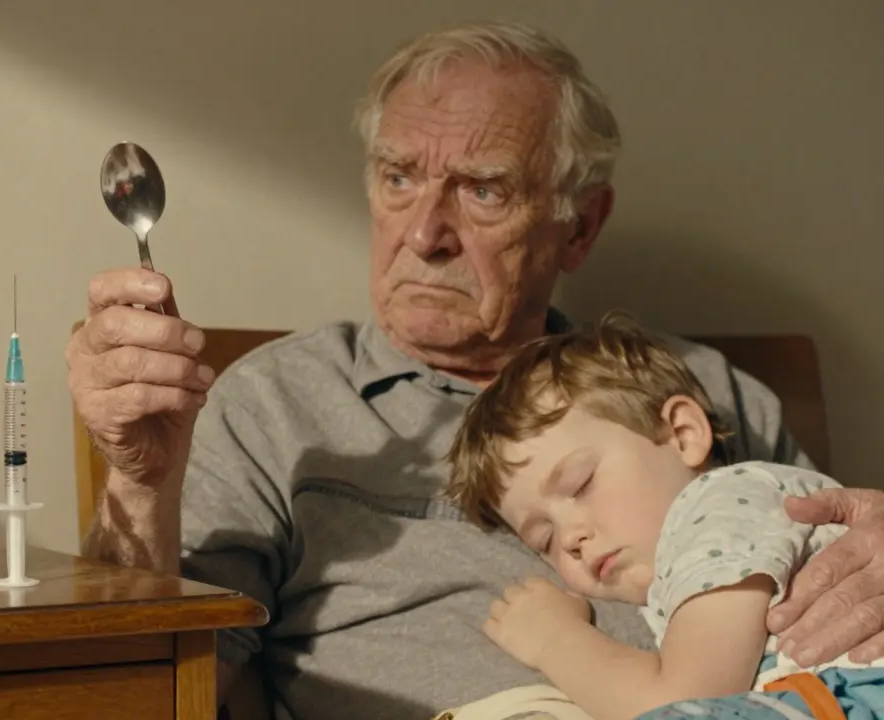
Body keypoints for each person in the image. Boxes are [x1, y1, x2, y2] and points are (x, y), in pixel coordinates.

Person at [65, 19, 884, 720]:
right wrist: (140, 484)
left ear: (579, 226)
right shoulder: (275, 403)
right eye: (398, 178)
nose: (425, 234)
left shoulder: (705, 391)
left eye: (483, 191)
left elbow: (845, 607)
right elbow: (140, 695)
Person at [444, 313, 884, 720]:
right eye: (544, 540)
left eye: (581, 485)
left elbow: (684, 700)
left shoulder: (722, 506)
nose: (572, 537)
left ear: (682, 434)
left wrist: (554, 639)